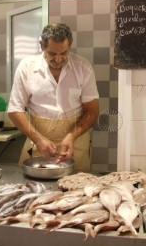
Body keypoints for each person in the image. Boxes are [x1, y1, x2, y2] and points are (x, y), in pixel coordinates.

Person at [7, 22, 99, 171]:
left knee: (77, 189)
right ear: (41, 46)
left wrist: (71, 136)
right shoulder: (27, 67)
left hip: (75, 143)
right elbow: (14, 109)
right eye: (52, 53)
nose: (58, 59)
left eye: (63, 53)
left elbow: (92, 111)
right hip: (37, 142)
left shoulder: (83, 67)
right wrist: (38, 139)